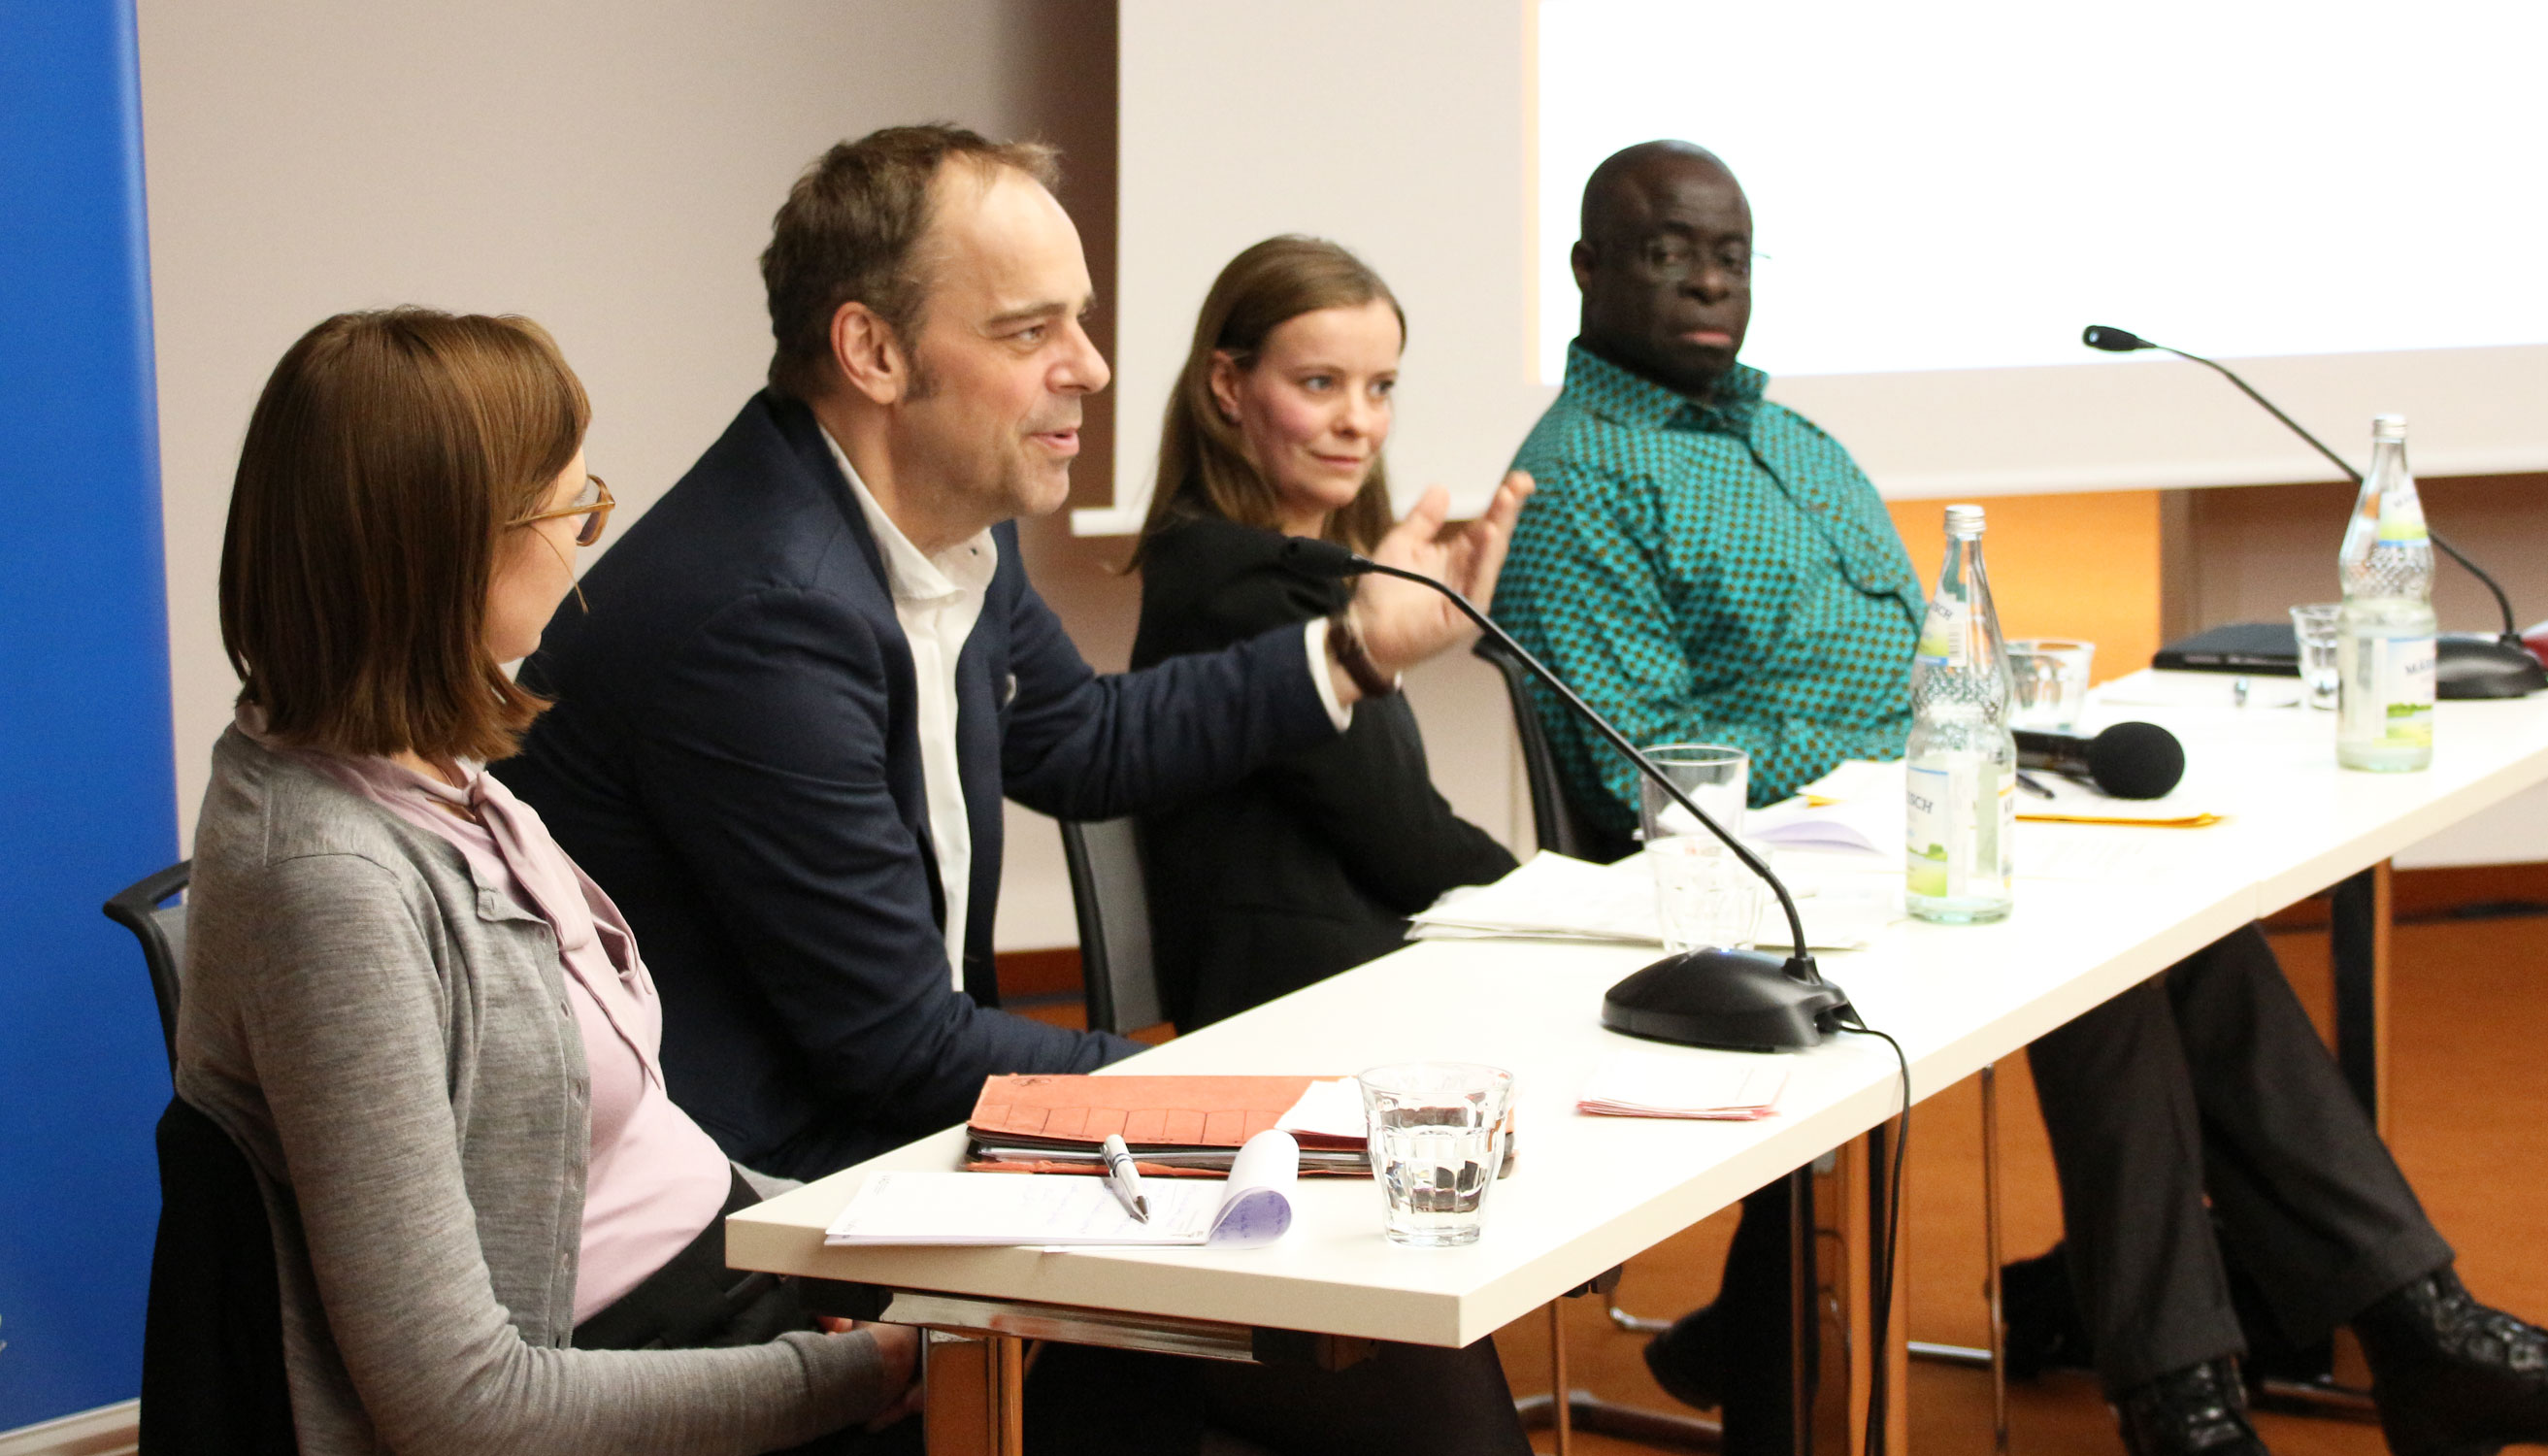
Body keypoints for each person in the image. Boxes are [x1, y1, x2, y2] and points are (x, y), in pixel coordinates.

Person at [1493, 138, 2548, 1456]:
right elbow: (1640, 764)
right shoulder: (1580, 482)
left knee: (2179, 914)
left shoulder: (1789, 434)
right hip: (1768, 883)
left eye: (1731, 255)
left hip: (1919, 820)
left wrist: (1978, 749)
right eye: (1665, 253)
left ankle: (2389, 1331)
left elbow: (1923, 650)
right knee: (2101, 953)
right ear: (1589, 268)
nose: (1708, 284)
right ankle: (2227, 1383)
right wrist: (1908, 758)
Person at [495, 126, 1535, 1456]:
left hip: (887, 1135)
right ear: (874, 352)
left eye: (1083, 323)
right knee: (1371, 1348)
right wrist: (1248, 1099)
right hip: (755, 1213)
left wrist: (1347, 647)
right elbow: (894, 1051)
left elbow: (1086, 740)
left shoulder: (937, 521)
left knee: (1389, 1344)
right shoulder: (759, 609)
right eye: (1031, 329)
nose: (1091, 367)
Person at [179, 309, 920, 1454]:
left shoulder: (436, 774)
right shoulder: (331, 886)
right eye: (570, 507)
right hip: (635, 1373)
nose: (584, 539)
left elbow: (649, 1152)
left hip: (726, 1298)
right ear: (443, 550)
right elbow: (463, 1406)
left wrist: (873, 1242)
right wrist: (848, 1376)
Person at [1128, 236, 1519, 1030]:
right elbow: (1406, 845)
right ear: (1227, 385)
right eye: (1319, 384)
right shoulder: (1235, 582)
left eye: (1380, 388)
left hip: (1358, 983)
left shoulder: (1283, 569)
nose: (1359, 423)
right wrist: (1560, 899)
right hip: (1300, 1021)